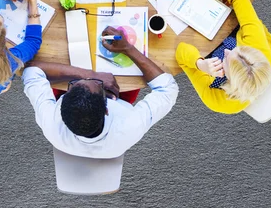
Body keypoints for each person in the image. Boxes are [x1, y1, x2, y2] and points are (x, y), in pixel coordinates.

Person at [22, 26, 178, 158]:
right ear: (107, 108)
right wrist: (127, 48)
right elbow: (167, 89)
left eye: (73, 85)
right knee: (132, 77)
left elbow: (31, 71)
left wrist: (91, 75)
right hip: (118, 100)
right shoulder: (130, 125)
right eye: (97, 84)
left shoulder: (51, 122)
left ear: (60, 106)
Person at [165, 0, 271, 114]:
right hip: (234, 29)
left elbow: (181, 51)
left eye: (226, 59)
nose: (226, 50)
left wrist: (199, 64)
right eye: (237, 49)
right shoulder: (256, 46)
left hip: (205, 55)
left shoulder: (218, 102)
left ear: (229, 80)